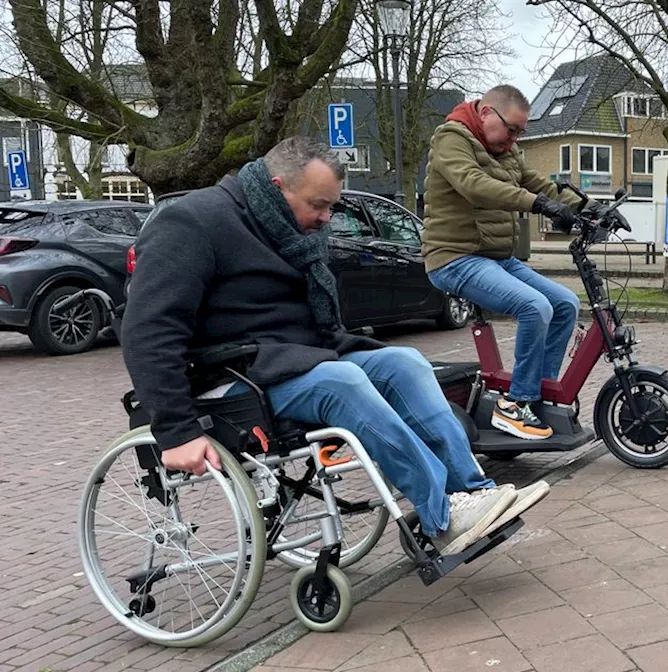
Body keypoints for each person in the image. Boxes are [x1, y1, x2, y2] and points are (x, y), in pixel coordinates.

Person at [121, 136, 547, 556]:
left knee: (404, 362)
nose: (327, 218)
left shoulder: (286, 224)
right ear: (277, 187)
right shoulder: (192, 222)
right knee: (341, 381)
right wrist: (176, 430)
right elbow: (148, 329)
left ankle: (473, 493)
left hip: (296, 357)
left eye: (331, 205)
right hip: (229, 375)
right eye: (319, 205)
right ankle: (443, 517)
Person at [422, 84, 594, 441]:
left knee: (564, 304)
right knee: (534, 307)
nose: (514, 138)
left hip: (495, 258)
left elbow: (538, 185)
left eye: (520, 132)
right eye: (511, 129)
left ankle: (539, 394)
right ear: (486, 113)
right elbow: (474, 185)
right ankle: (515, 403)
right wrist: (535, 204)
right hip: (455, 258)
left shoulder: (507, 150)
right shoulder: (450, 139)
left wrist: (589, 207)